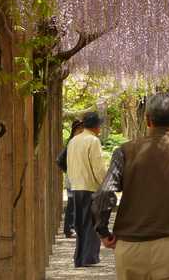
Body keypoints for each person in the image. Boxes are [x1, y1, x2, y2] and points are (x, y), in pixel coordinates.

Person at [92, 93, 169, 280]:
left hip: (131, 248)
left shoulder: (125, 151)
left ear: (148, 120)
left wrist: (103, 231)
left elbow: (104, 193)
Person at [67, 111, 107, 267]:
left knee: (80, 224)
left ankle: (80, 257)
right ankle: (89, 257)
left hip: (76, 186)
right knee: (91, 223)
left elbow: (69, 164)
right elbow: (98, 167)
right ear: (96, 126)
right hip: (90, 186)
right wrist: (105, 184)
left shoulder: (74, 141)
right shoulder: (93, 141)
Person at [56, 119, 84, 238]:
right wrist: (69, 170)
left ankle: (73, 228)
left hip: (79, 178)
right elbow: (59, 161)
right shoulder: (71, 143)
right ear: (75, 130)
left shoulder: (79, 142)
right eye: (79, 129)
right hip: (73, 179)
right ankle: (69, 229)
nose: (81, 131)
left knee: (76, 204)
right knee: (72, 204)